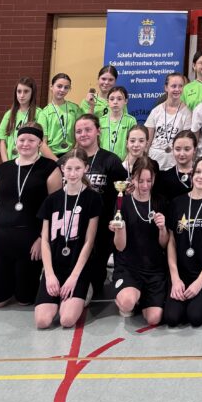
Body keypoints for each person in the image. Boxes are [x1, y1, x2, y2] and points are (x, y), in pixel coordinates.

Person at [0, 124, 61, 307]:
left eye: (31, 140)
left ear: (40, 143)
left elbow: (55, 210)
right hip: (1, 238)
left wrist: (42, 239)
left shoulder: (50, 168)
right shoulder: (2, 170)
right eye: (22, 139)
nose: (25, 144)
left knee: (25, 299)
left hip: (30, 241)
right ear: (16, 141)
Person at [35, 148, 101, 329]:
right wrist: (49, 275)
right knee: (42, 322)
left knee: (67, 320)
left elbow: (89, 242)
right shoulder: (52, 200)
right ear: (62, 169)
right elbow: (45, 240)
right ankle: (54, 288)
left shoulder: (93, 199)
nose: (73, 173)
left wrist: (74, 277)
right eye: (69, 169)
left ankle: (85, 288)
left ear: (85, 169)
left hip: (77, 267)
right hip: (55, 266)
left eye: (77, 169)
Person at [164, 155, 202, 327]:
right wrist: (175, 279)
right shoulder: (177, 203)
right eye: (198, 172)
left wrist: (200, 281)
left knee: (195, 317)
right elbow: (171, 243)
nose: (201, 176)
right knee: (172, 318)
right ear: (192, 174)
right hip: (180, 272)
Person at [73, 113, 128, 295]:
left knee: (95, 285)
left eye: (88, 129)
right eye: (79, 131)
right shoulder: (68, 160)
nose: (83, 134)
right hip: (74, 226)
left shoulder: (111, 160)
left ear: (98, 131)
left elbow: (120, 195)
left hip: (101, 228)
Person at [110, 157, 169, 325]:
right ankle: (130, 296)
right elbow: (120, 246)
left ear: (154, 179)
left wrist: (162, 228)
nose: (144, 185)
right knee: (127, 304)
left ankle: (141, 296)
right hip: (129, 268)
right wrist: (120, 229)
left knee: (154, 319)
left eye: (149, 181)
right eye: (140, 180)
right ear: (132, 178)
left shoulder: (160, 202)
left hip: (154, 269)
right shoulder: (123, 202)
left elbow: (164, 244)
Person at [145, 73, 193, 170]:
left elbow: (186, 142)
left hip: (174, 164)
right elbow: (148, 141)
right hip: (153, 162)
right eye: (173, 86)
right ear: (166, 88)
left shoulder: (187, 113)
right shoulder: (156, 111)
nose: (177, 89)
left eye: (180, 86)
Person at [0, 76, 40, 162]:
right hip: (11, 161)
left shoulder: (39, 113)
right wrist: (6, 163)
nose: (22, 95)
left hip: (31, 162)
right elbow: (3, 141)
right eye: (19, 91)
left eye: (26, 91)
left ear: (32, 93)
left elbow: (41, 141)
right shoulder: (9, 114)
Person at [38, 73, 82, 159]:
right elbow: (42, 143)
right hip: (51, 157)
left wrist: (74, 154)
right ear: (51, 87)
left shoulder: (75, 109)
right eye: (59, 86)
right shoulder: (44, 113)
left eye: (66, 87)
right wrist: (56, 161)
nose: (62, 90)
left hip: (71, 155)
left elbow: (80, 133)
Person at [155, 130, 197, 202]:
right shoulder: (164, 177)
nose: (182, 154)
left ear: (195, 150)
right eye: (178, 149)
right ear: (173, 149)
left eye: (187, 149)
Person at [99, 86, 137, 162]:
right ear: (107, 101)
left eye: (119, 99)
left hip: (124, 162)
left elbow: (134, 144)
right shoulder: (101, 121)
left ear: (125, 101)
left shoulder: (130, 121)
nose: (115, 102)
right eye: (112, 99)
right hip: (103, 162)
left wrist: (126, 163)